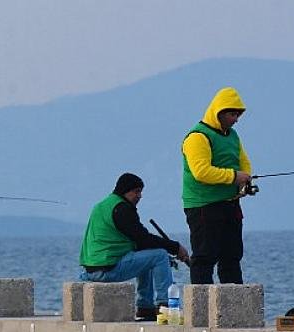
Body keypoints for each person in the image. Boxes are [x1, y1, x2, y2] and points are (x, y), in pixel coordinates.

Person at [79, 173, 190, 320]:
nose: (140, 196)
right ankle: (166, 307)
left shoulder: (103, 205)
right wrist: (176, 248)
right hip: (108, 269)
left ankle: (145, 308)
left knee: (148, 255)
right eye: (136, 191)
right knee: (160, 255)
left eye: (141, 192)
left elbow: (141, 242)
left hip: (92, 269)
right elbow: (143, 238)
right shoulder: (122, 209)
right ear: (125, 190)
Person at [182, 87, 252, 284]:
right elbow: (201, 171)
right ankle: (202, 309)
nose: (235, 119)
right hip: (203, 206)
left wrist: (244, 180)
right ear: (218, 112)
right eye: (232, 114)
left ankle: (234, 307)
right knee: (205, 257)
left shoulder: (233, 135)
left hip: (230, 204)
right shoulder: (198, 137)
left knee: (232, 257)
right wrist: (234, 177)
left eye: (238, 115)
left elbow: (243, 162)